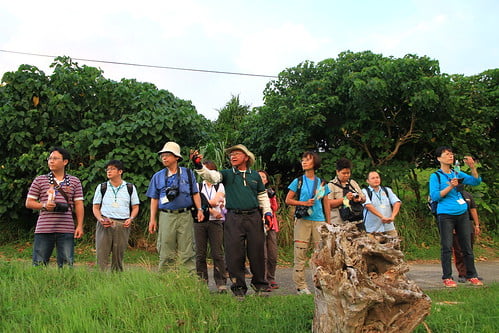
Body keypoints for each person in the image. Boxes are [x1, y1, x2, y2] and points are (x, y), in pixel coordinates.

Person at [190, 144, 273, 297]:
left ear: (246, 157)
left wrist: (267, 213)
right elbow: (212, 177)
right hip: (234, 217)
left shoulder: (255, 176)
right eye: (231, 154)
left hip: (254, 216)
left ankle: (260, 286)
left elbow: (262, 196)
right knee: (234, 254)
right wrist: (198, 165)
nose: (233, 156)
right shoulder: (227, 174)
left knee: (257, 252)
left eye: (237, 153)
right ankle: (239, 289)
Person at [429, 146, 483, 287]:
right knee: (447, 246)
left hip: (462, 213)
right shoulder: (436, 176)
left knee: (467, 246)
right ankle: (447, 277)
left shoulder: (457, 173)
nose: (450, 156)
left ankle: (472, 275)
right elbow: (435, 196)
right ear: (439, 158)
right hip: (445, 214)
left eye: (451, 154)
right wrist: (450, 187)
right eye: (447, 154)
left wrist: (472, 168)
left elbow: (476, 181)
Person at [146, 141, 204, 273]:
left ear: (176, 157)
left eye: (167, 155)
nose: (164, 158)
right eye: (162, 155)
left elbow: (195, 193)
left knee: (187, 250)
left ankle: (188, 282)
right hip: (166, 216)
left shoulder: (188, 173)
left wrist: (200, 209)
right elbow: (154, 199)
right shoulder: (158, 176)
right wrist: (152, 220)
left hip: (185, 216)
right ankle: (166, 282)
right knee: (166, 249)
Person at [25, 147, 84, 267]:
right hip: (44, 228)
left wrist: (79, 225)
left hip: (66, 228)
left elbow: (78, 204)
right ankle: (37, 285)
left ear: (65, 162)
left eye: (55, 158)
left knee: (67, 264)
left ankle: (65, 285)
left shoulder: (74, 181)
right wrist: (44, 205)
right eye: (50, 158)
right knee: (39, 263)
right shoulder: (40, 180)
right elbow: (29, 202)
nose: (51, 161)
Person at [285, 151, 330, 295]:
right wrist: (303, 203)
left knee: (321, 254)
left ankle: (321, 284)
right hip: (303, 221)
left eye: (308, 160)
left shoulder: (321, 182)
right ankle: (301, 286)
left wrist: (328, 224)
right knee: (300, 253)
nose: (304, 162)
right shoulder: (298, 181)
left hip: (319, 220)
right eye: (303, 159)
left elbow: (326, 203)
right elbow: (288, 200)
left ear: (315, 162)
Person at [92, 160, 140, 271]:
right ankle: (100, 278)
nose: (109, 171)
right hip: (105, 223)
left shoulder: (130, 187)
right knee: (101, 254)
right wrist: (100, 219)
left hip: (122, 224)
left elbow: (135, 207)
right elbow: (95, 207)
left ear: (120, 171)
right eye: (107, 169)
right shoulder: (102, 187)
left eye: (112, 169)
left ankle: (117, 278)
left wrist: (131, 219)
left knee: (118, 254)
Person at [194, 160, 228, 293]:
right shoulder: (197, 186)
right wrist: (212, 209)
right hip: (200, 222)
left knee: (217, 253)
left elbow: (217, 199)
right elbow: (196, 201)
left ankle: (221, 283)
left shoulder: (219, 186)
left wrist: (204, 204)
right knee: (200, 254)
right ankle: (202, 282)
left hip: (216, 222)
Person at [452, 190, 482, 283]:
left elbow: (473, 209)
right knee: (458, 249)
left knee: (469, 249)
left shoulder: (467, 194)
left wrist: (477, 225)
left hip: (468, 223)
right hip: (456, 223)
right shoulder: (450, 195)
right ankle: (462, 273)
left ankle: (471, 273)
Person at [327, 158, 366, 227]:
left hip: (355, 220)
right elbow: (329, 203)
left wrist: (359, 199)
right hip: (339, 222)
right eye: (343, 173)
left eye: (348, 173)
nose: (346, 175)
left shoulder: (352, 183)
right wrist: (345, 198)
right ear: (337, 172)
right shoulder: (331, 185)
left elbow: (363, 198)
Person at [362, 171, 401, 237]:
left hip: (389, 228)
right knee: (374, 247)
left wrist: (393, 216)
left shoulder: (387, 190)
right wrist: (382, 217)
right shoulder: (364, 192)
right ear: (367, 181)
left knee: (394, 246)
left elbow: (397, 202)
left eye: (377, 177)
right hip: (373, 230)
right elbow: (368, 205)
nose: (376, 179)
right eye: (373, 178)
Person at [259, 170, 280, 289]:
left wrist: (271, 197)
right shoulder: (252, 192)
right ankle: (263, 278)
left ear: (266, 180)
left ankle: (271, 277)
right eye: (258, 177)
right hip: (258, 224)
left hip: (271, 224)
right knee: (263, 254)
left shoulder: (270, 192)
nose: (261, 179)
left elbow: (275, 208)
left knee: (272, 253)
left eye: (263, 177)